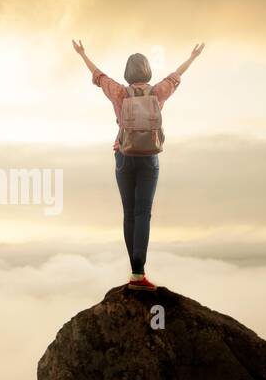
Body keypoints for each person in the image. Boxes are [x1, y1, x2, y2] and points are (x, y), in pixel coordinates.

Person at [72, 40, 204, 289]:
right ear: (147, 71)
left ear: (128, 73)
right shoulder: (157, 92)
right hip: (149, 159)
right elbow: (176, 76)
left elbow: (98, 75)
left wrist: (83, 54)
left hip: (124, 156)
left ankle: (135, 274)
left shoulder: (119, 92)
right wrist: (192, 57)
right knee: (143, 214)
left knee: (129, 213)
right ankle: (138, 274)